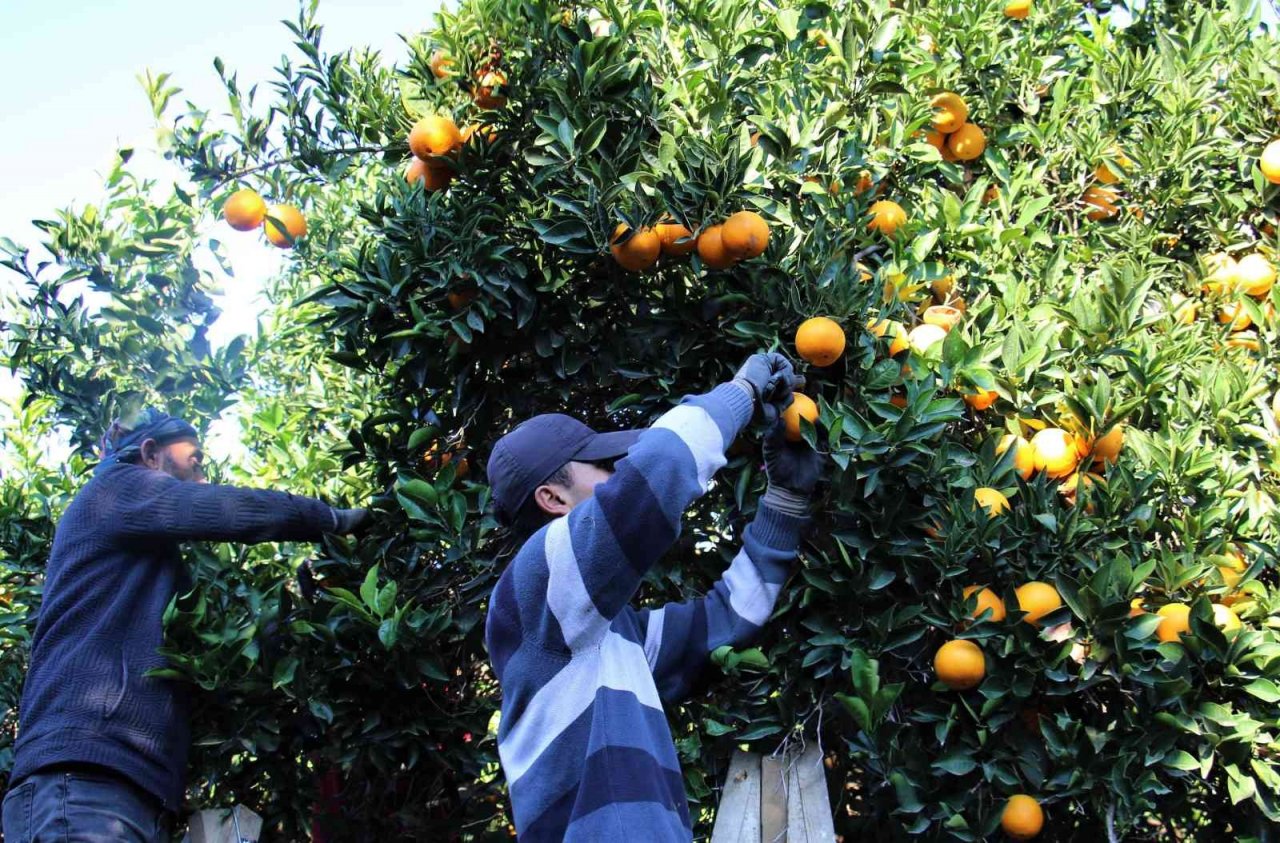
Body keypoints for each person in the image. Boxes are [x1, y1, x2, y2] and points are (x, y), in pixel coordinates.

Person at [484, 353, 824, 841]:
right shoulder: (534, 589)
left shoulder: (608, 638)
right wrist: (741, 394)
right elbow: (658, 469)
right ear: (553, 499)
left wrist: (786, 499)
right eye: (602, 466)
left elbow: (728, 618)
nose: (617, 473)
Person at [2, 408, 369, 842]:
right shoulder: (119, 488)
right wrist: (333, 521)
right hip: (83, 783)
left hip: (121, 791)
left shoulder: (151, 562)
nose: (202, 474)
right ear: (151, 454)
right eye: (194, 458)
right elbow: (228, 509)